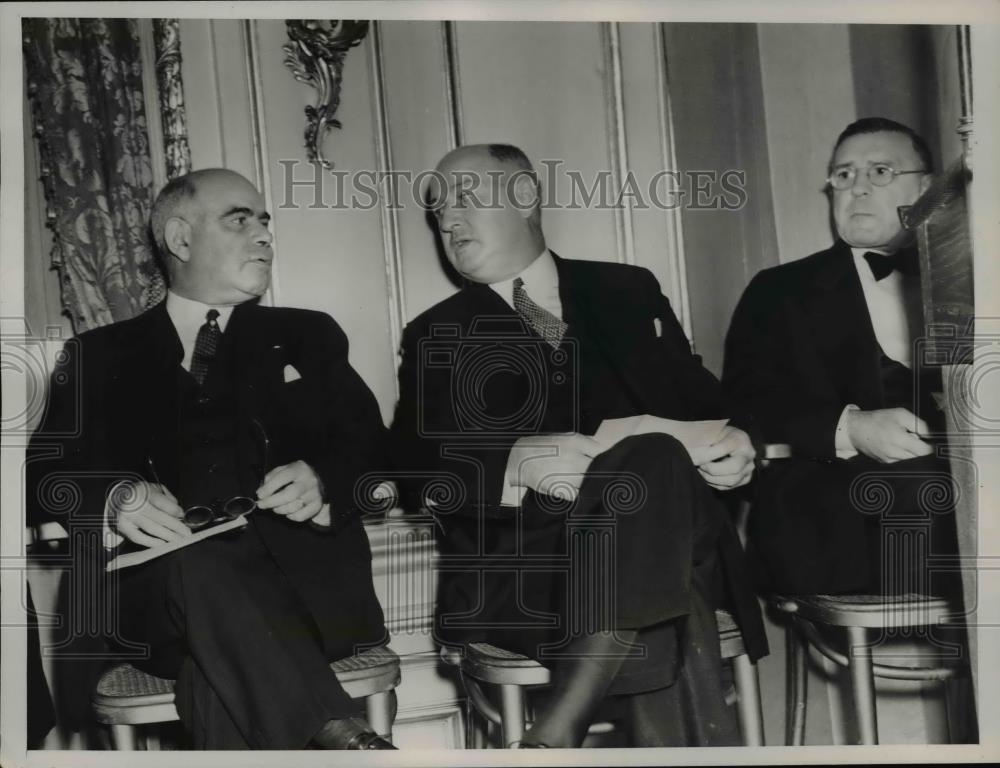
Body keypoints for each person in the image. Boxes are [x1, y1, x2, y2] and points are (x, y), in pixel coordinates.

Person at [390, 144, 767, 747]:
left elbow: (707, 404)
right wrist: (518, 461)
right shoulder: (436, 331)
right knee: (670, 592)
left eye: (463, 199)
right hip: (536, 571)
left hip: (665, 529)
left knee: (650, 457)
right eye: (438, 212)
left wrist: (742, 441)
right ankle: (558, 733)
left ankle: (557, 731)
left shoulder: (628, 290)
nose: (448, 221)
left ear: (525, 197)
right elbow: (413, 467)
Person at [26, 169, 394, 750]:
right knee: (195, 563)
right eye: (240, 219)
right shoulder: (98, 355)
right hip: (158, 605)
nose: (265, 235)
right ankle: (341, 735)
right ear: (179, 238)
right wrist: (114, 497)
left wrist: (325, 480)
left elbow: (376, 449)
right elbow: (41, 476)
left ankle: (339, 739)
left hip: (309, 594)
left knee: (215, 675)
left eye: (266, 221)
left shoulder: (309, 335)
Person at [723, 117, 958, 597]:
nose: (858, 188)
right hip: (829, 507)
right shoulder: (779, 291)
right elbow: (744, 409)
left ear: (929, 189)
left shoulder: (972, 280)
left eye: (879, 172)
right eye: (844, 175)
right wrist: (849, 427)